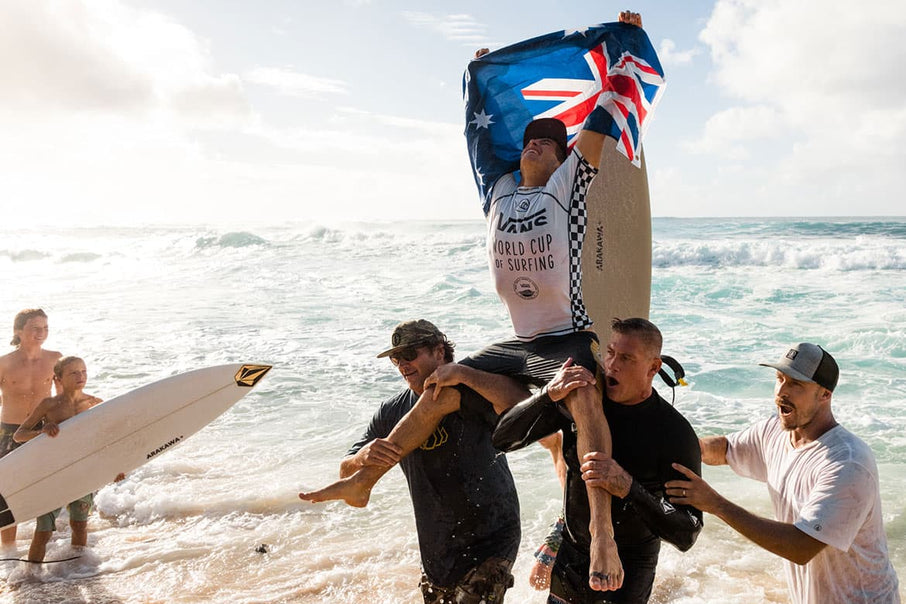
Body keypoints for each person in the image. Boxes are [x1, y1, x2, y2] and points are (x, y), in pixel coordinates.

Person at [300, 320, 527, 603]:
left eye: (410, 354)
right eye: (396, 358)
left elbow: (521, 403)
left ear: (439, 352)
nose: (402, 364)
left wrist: (467, 375)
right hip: (438, 548)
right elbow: (346, 474)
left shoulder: (467, 390)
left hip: (492, 536)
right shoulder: (391, 411)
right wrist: (362, 455)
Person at [667, 343, 901, 604]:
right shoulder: (775, 433)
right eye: (779, 379)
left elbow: (800, 547)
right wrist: (678, 446)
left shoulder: (847, 462)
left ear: (825, 394)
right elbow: (725, 449)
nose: (781, 392)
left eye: (796, 384)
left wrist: (716, 504)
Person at [494, 318, 703, 603]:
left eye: (627, 358)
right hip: (572, 555)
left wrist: (629, 487)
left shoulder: (672, 434)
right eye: (610, 353)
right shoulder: (583, 401)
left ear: (653, 368)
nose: (612, 365)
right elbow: (503, 439)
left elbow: (686, 531)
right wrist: (547, 395)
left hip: (627, 567)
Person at [13, 356, 102, 564]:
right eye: (73, 373)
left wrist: (115, 468)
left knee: (79, 525)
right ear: (59, 378)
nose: (80, 376)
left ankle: (79, 570)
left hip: (81, 471)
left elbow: (104, 440)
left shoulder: (94, 403)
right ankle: (32, 577)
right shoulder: (49, 405)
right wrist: (42, 432)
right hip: (52, 471)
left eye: (83, 371)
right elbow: (19, 435)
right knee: (44, 530)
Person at [0, 308, 62, 548]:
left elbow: (64, 398)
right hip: (8, 431)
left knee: (47, 482)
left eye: (45, 327)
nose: (41, 333)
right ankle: (8, 549)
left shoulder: (55, 359)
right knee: (7, 489)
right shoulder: (4, 363)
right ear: (18, 331)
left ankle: (48, 542)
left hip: (44, 428)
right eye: (35, 328)